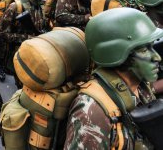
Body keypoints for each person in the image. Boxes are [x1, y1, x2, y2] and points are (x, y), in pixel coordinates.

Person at [64, 8, 160, 149]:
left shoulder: (139, 85)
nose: (157, 57)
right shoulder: (93, 111)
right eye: (144, 50)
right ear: (117, 54)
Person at [0, 0, 51, 87]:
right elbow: (2, 34)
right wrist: (27, 38)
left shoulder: (39, 6)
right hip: (20, 53)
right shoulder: (15, 7)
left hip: (36, 51)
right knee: (23, 85)